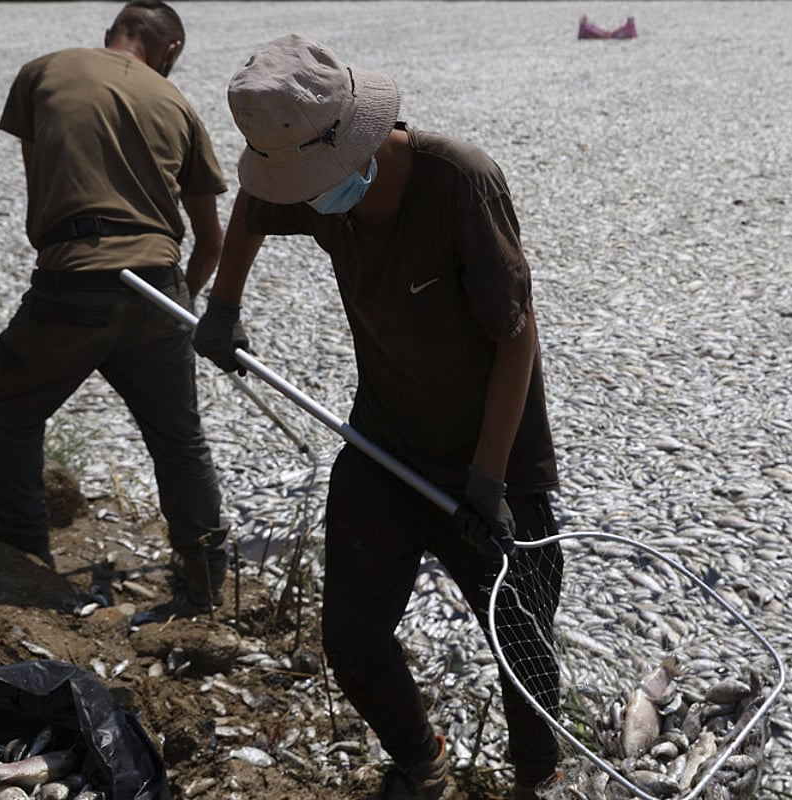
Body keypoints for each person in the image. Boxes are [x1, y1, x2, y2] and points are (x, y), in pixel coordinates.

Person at [195, 34, 564, 800]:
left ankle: (538, 778)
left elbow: (517, 339)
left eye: (314, 179)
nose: (310, 193)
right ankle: (421, 762)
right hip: (383, 441)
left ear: (352, 138)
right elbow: (255, 209)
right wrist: (223, 305)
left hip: (491, 458)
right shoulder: (304, 182)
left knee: (521, 643)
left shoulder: (461, 181)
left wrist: (488, 478)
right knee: (352, 640)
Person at [0, 0, 230, 612]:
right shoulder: (178, 105)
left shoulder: (44, 71)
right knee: (178, 438)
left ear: (111, 34)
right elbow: (212, 240)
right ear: (168, 51)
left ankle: (24, 566)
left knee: (5, 402)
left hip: (73, 281)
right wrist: (178, 307)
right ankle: (203, 586)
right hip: (161, 287)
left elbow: (39, 187)